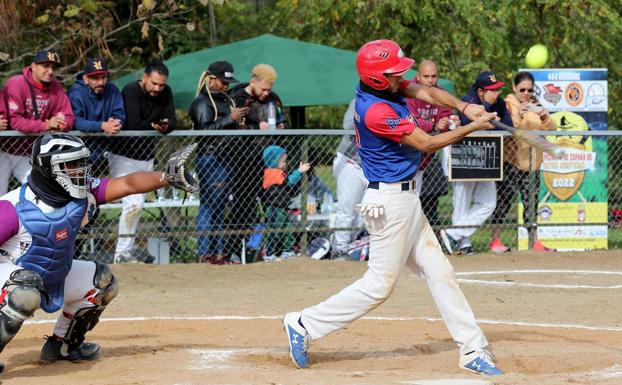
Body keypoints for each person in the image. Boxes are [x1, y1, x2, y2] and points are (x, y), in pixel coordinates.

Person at [282, 39, 502, 376]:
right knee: (378, 286)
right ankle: (303, 323)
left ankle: (472, 347)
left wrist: (463, 106)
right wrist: (471, 127)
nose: (403, 78)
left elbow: (427, 92)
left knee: (440, 272)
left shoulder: (390, 88)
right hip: (389, 203)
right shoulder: (375, 110)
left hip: (408, 199)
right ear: (376, 79)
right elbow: (426, 142)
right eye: (395, 73)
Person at [0, 133, 194, 372]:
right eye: (70, 165)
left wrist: (166, 177)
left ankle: (62, 346)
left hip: (46, 278)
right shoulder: (11, 208)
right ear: (48, 168)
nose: (80, 170)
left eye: (80, 163)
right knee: (24, 290)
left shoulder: (80, 195)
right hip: (10, 280)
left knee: (102, 282)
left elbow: (128, 183)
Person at [440, 71, 513, 256]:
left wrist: (491, 120)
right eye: (492, 90)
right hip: (465, 155)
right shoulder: (468, 99)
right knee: (461, 201)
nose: (497, 93)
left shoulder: (500, 102)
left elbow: (509, 125)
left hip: (487, 157)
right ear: (481, 91)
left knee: (489, 202)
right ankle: (463, 244)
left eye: (498, 89)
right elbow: (468, 122)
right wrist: (487, 109)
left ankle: (453, 234)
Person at [109, 61, 176, 263]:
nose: (157, 89)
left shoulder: (166, 92)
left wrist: (164, 126)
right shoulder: (131, 90)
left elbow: (172, 120)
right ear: (144, 77)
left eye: (161, 85)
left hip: (147, 158)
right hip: (123, 156)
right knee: (134, 204)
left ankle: (126, 250)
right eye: (154, 83)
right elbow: (132, 122)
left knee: (136, 205)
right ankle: (122, 253)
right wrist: (153, 125)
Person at [489, 71, 556, 253]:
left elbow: (553, 129)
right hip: (511, 162)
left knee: (531, 204)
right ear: (514, 87)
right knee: (503, 202)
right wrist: (518, 113)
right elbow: (506, 127)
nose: (526, 93)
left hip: (532, 164)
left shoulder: (536, 104)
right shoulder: (506, 104)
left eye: (529, 89)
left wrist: (543, 115)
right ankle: (495, 241)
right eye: (522, 89)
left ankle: (536, 241)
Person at [189, 61, 249, 264]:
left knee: (219, 207)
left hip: (226, 158)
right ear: (211, 79)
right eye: (223, 82)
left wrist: (237, 124)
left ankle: (219, 253)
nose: (226, 86)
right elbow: (203, 133)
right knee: (209, 207)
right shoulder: (202, 102)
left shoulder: (224, 100)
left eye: (228, 82)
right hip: (212, 159)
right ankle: (206, 254)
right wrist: (230, 119)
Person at [227, 64, 288, 258]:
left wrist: (281, 127)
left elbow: (285, 121)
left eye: (269, 89)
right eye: (263, 89)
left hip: (270, 163)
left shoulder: (274, 100)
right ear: (253, 81)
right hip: (245, 161)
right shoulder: (238, 98)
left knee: (274, 207)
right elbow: (233, 127)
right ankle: (234, 250)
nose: (266, 93)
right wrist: (255, 126)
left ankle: (270, 250)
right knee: (243, 208)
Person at [0, 50, 74, 195]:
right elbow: (15, 122)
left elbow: (69, 117)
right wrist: (46, 125)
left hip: (29, 153)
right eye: (45, 66)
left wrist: (61, 124)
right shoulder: (16, 83)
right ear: (33, 66)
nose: (50, 71)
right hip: (4, 150)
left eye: (53, 67)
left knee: (42, 193)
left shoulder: (56, 87)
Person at [406, 60, 457, 225]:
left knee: (415, 200)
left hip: (424, 159)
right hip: (406, 157)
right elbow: (412, 121)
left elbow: (447, 114)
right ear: (418, 76)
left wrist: (449, 121)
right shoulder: (408, 92)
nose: (430, 80)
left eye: (434, 76)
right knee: (404, 201)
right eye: (426, 76)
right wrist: (434, 124)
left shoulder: (440, 93)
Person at [68, 57, 125, 176]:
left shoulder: (112, 89)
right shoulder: (76, 91)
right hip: (79, 151)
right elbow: (75, 121)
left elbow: (120, 115)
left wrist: (116, 123)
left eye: (103, 77)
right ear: (85, 78)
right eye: (95, 78)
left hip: (107, 150)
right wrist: (102, 126)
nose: (100, 82)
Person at [332, 99, 368, 259]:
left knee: (367, 212)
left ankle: (352, 246)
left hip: (370, 165)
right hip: (350, 160)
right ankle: (340, 249)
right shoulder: (359, 101)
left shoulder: (391, 102)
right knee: (347, 210)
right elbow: (347, 125)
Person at [262, 145, 310, 261]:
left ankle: (287, 251)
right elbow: (289, 182)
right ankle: (270, 254)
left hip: (281, 207)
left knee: (286, 229)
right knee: (275, 231)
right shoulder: (272, 172)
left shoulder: (276, 172)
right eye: (282, 161)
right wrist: (299, 171)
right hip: (275, 208)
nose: (285, 164)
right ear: (273, 161)